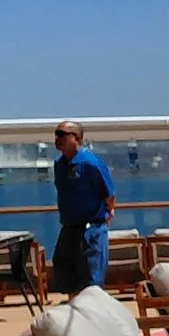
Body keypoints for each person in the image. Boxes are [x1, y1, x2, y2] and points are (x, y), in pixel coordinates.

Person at [49, 121, 116, 297]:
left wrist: (107, 212)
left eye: (63, 134)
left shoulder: (91, 164)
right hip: (68, 228)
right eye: (56, 134)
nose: (58, 139)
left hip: (90, 229)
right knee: (65, 272)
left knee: (91, 282)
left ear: (77, 138)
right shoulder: (59, 165)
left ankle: (94, 319)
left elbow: (109, 194)